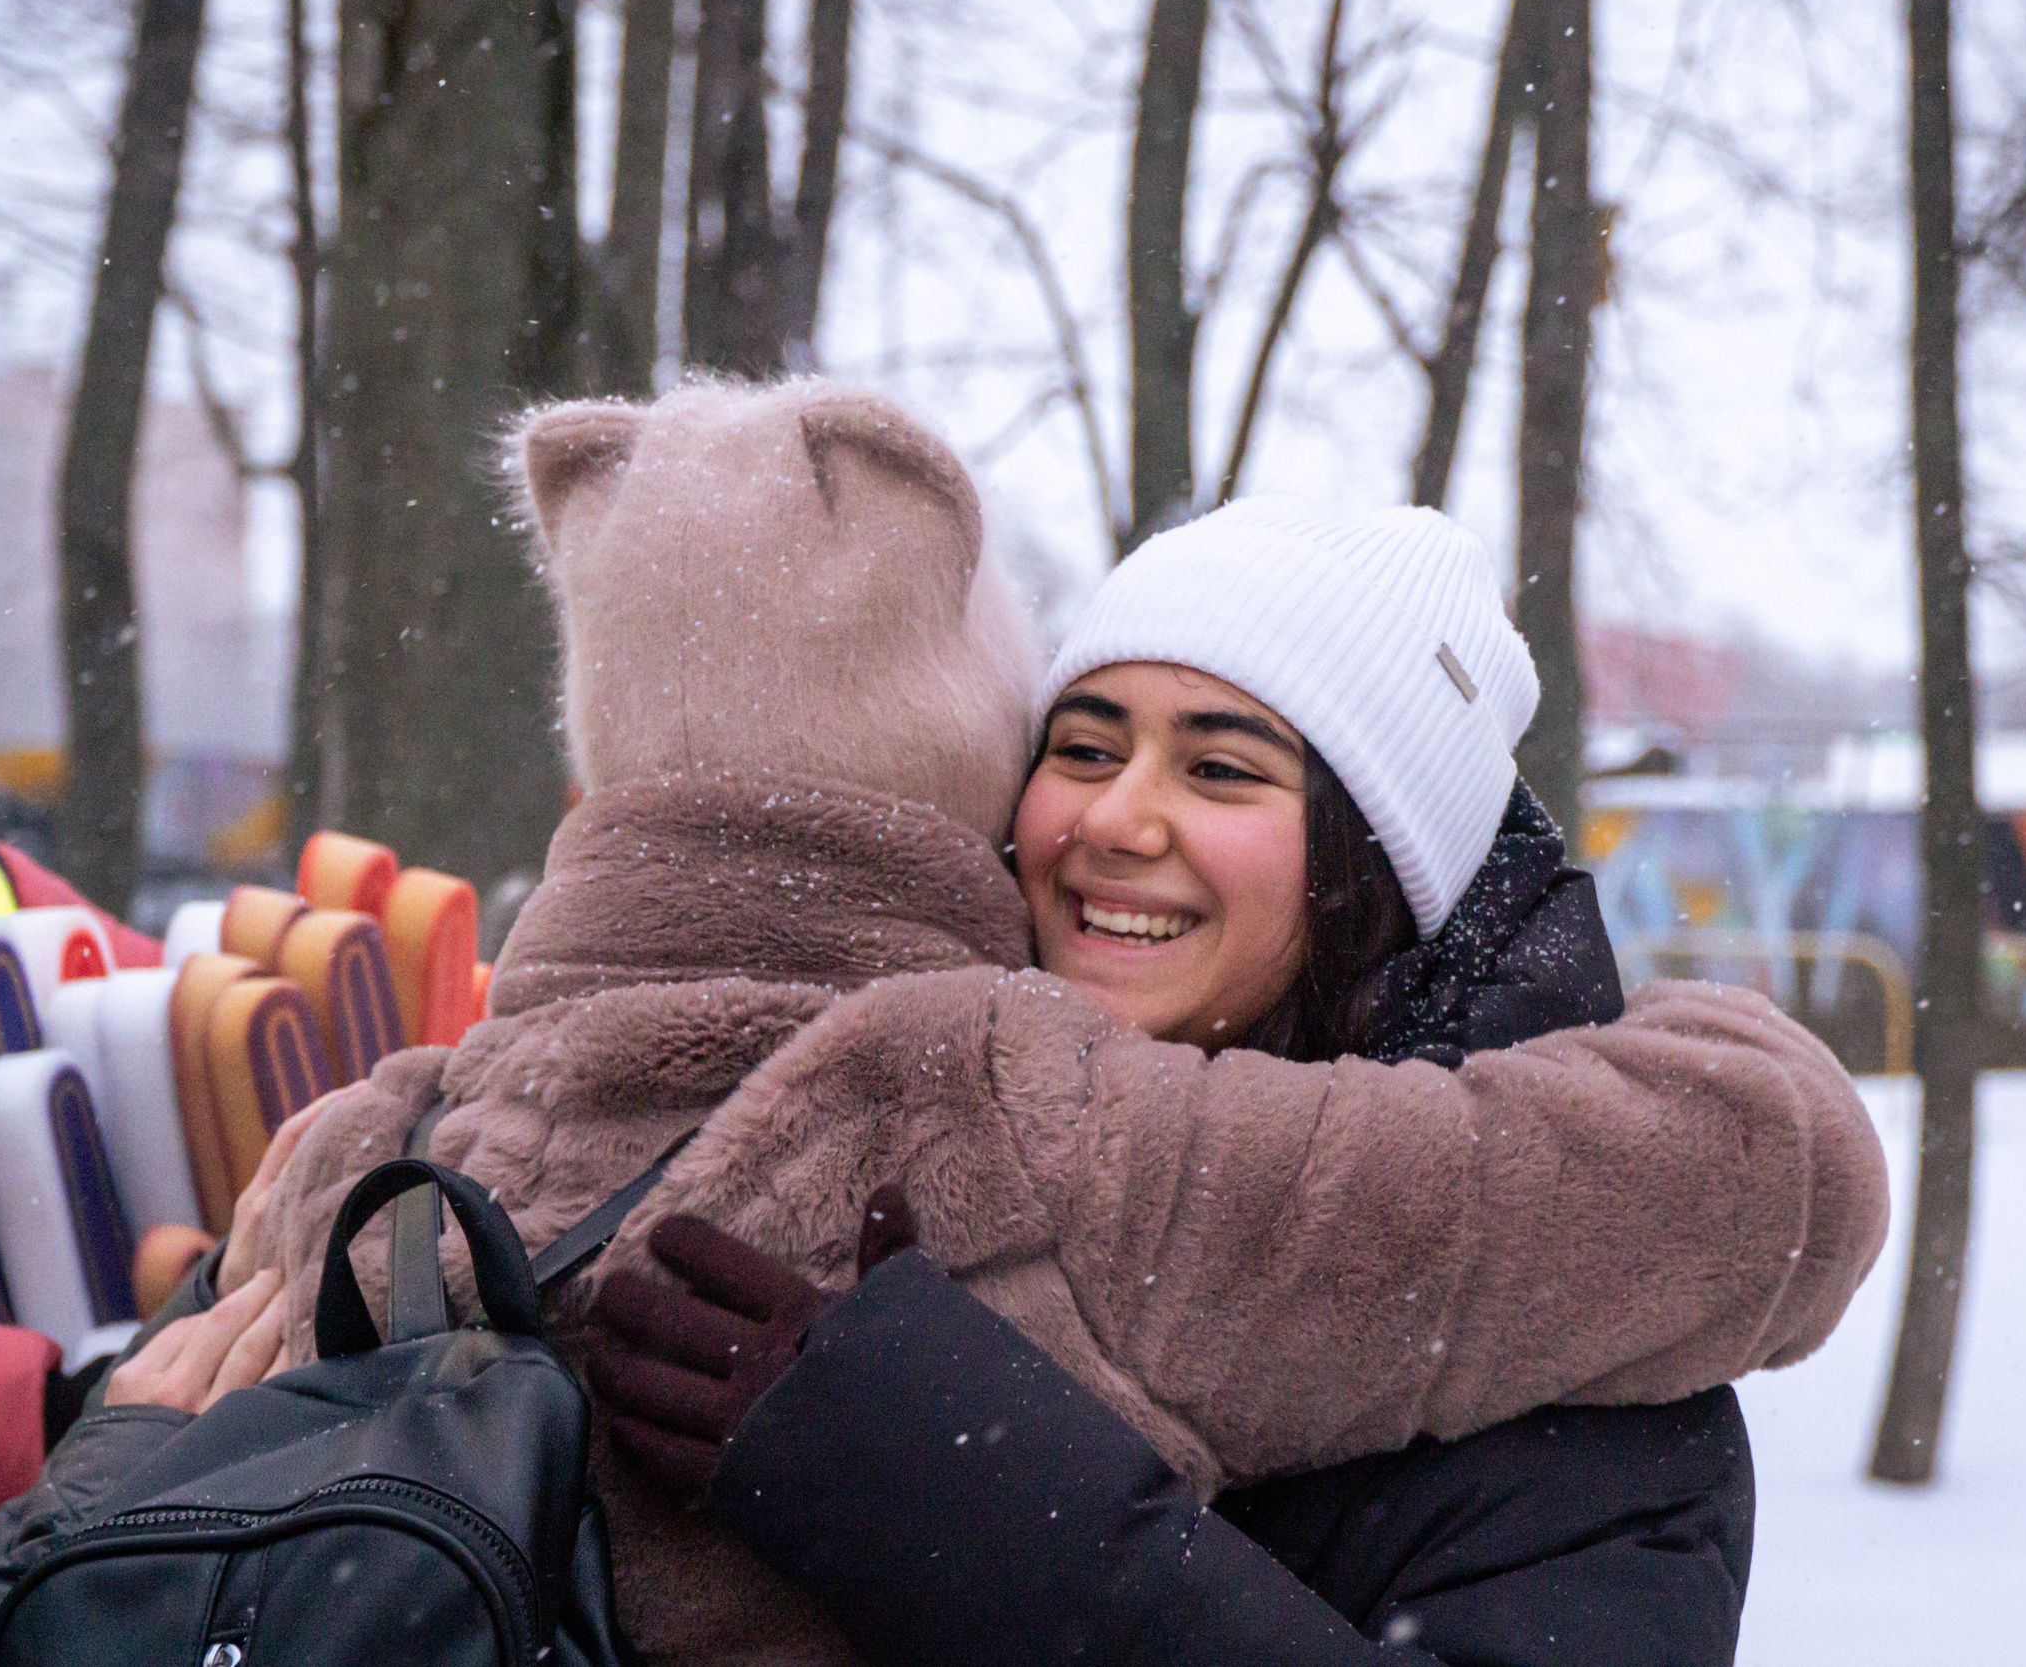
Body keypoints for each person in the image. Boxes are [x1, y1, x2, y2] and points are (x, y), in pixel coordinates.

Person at [574, 494, 1889, 1664]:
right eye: (1084, 748)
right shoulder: (890, 1156)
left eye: (1217, 769)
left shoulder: (1590, 1386)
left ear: (1367, 871)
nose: (1114, 820)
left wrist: (968, 1501)